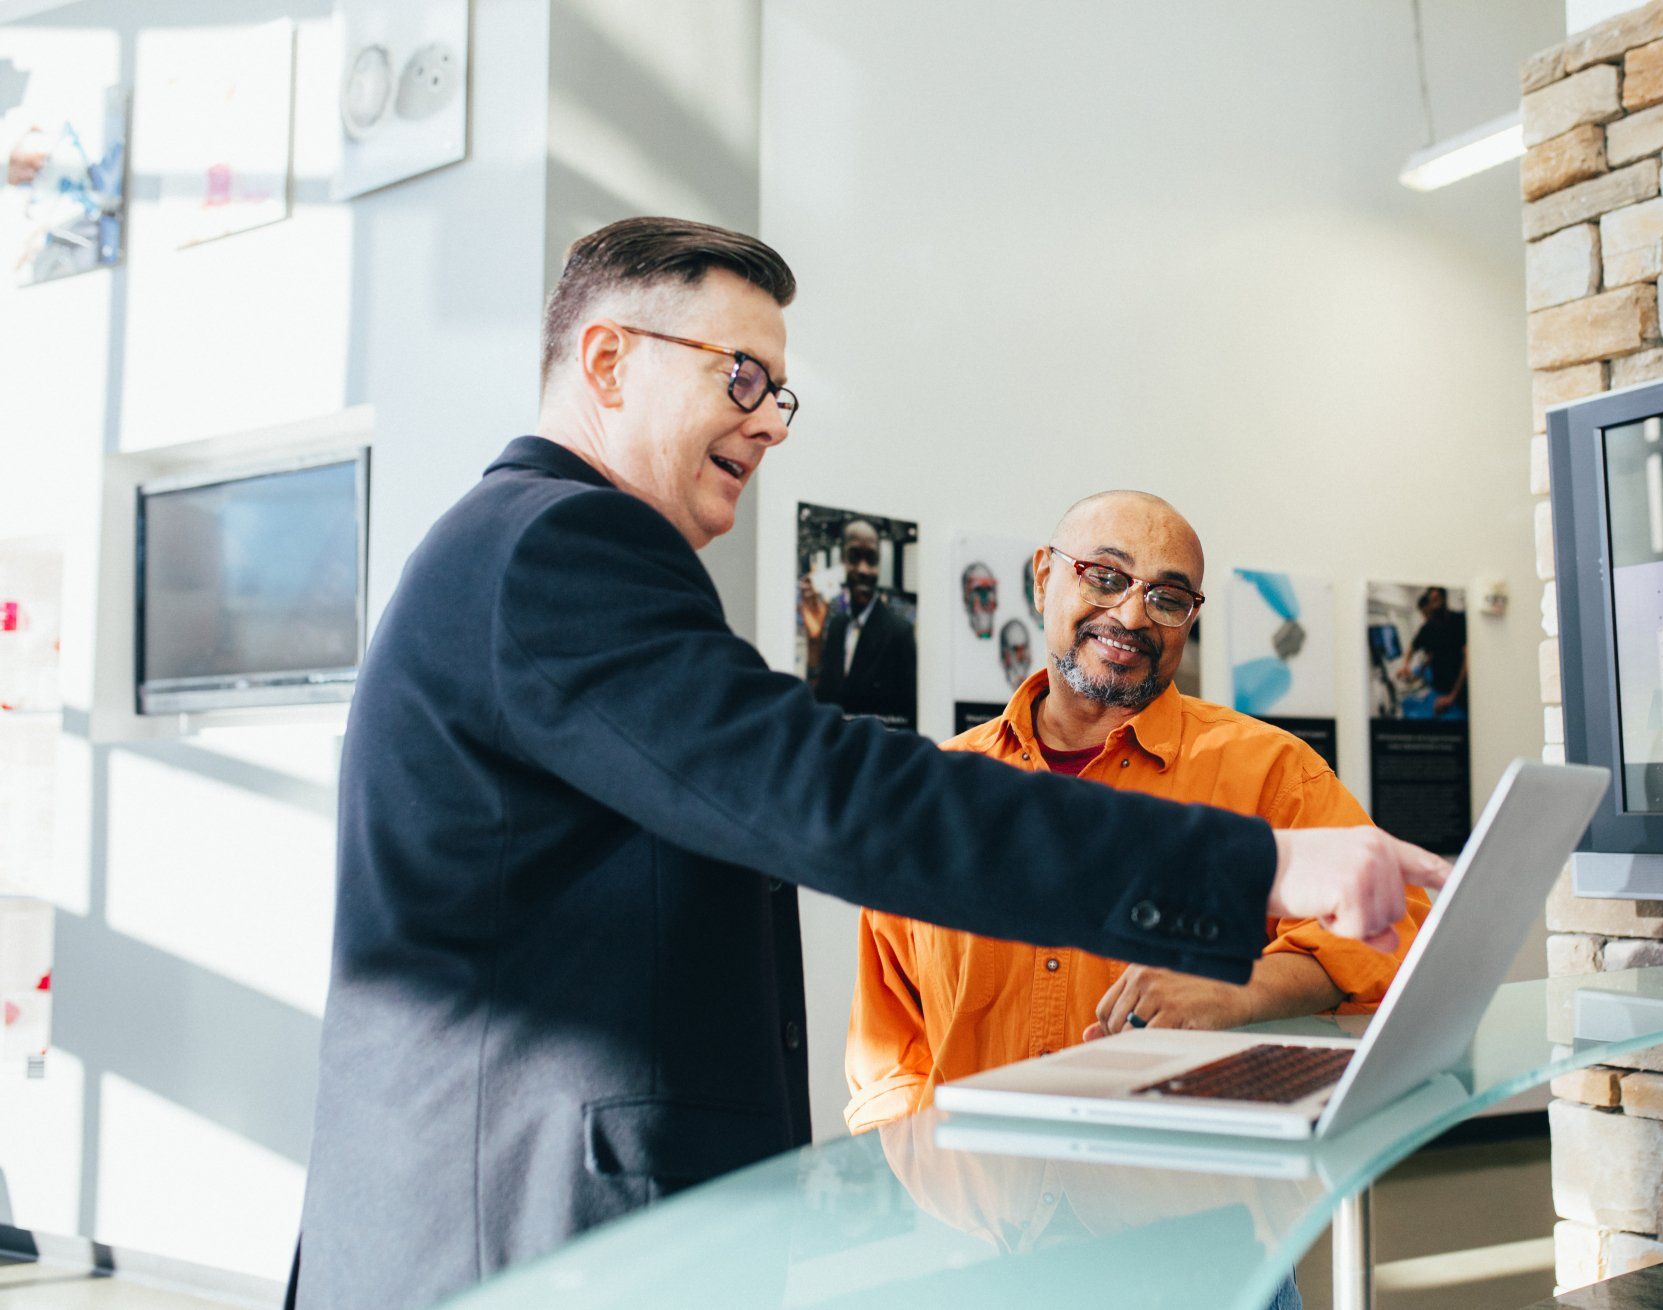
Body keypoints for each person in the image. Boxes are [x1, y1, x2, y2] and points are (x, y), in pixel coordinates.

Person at [288, 217, 1449, 1309]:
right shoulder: (559, 545)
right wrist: (1257, 869)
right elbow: (832, 795)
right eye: (739, 374)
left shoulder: (527, 549)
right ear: (605, 362)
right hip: (523, 1231)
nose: (771, 421)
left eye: (778, 391)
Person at [845, 493, 1430, 1133]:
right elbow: (889, 1046)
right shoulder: (940, 792)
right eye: (1105, 576)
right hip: (978, 1211)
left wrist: (1240, 988)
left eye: (1168, 598)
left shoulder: (1271, 772)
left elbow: (1397, 929)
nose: (1131, 615)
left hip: (1184, 1205)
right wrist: (924, 1187)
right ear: (1044, 579)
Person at [811, 518, 917, 728]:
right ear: (842, 560)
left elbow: (907, 720)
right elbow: (823, 701)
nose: (863, 569)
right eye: (854, 557)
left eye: (871, 559)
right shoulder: (836, 626)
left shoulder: (899, 633)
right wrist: (814, 641)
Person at [1399, 585, 1468, 719]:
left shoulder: (1458, 620)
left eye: (1437, 599)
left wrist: (1453, 696)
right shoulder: (1428, 628)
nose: (1433, 605)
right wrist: (1405, 665)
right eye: (1432, 601)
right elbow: (1414, 647)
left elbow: (1467, 658)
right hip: (1438, 689)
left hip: (1458, 691)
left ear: (1444, 599)